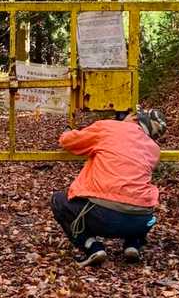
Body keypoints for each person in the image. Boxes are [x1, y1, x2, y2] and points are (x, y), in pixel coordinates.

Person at [51, 108, 167, 265]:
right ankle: (133, 244)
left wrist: (67, 132)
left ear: (135, 118)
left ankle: (92, 247)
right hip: (141, 220)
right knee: (137, 198)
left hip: (103, 216)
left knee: (59, 200)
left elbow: (69, 142)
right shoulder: (154, 150)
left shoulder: (109, 127)